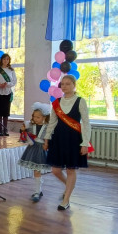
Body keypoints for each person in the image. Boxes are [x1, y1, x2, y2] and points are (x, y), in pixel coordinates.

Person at [43, 75, 91, 210]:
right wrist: (46, 139)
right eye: (62, 84)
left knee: (70, 169)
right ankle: (69, 186)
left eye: (68, 84)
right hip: (58, 139)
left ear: (74, 85)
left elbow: (86, 123)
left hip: (74, 139)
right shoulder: (56, 102)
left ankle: (66, 200)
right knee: (55, 170)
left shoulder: (80, 101)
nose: (64, 86)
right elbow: (52, 123)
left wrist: (85, 143)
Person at [18, 103, 51, 202]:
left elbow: (49, 138)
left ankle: (38, 191)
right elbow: (24, 135)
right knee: (36, 170)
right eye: (34, 117)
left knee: (37, 170)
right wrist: (22, 130)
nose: (35, 119)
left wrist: (47, 144)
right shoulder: (30, 125)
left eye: (38, 117)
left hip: (42, 149)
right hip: (32, 149)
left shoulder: (48, 127)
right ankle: (38, 190)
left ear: (44, 117)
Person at [0, 53, 17, 136]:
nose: (6, 61)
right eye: (4, 59)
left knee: (6, 113)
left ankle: (5, 129)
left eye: (7, 59)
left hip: (7, 93)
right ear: (1, 60)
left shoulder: (11, 70)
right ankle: (0, 130)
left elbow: (14, 81)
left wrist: (7, 84)